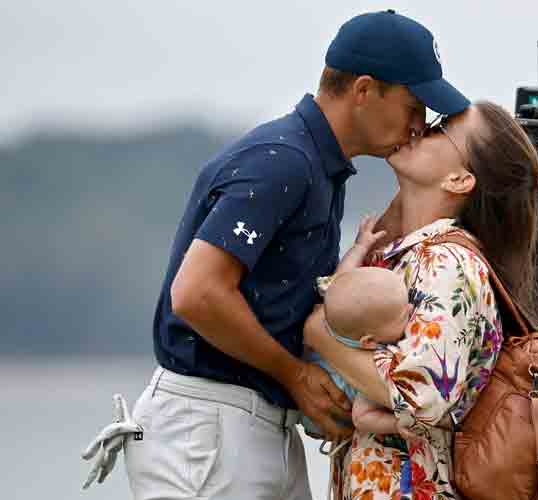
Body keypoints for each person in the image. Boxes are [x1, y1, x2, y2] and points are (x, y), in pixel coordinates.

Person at [82, 9, 471, 500]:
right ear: (365, 90)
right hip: (210, 426)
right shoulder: (285, 161)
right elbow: (196, 294)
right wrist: (296, 374)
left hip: (246, 425)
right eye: (414, 106)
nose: (420, 125)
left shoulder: (312, 164)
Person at [304, 101, 538, 499]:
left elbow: (421, 395)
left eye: (441, 129)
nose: (421, 127)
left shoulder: (448, 263)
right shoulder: (412, 255)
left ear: (460, 180)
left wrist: (320, 331)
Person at [301, 216, 414, 440]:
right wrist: (395, 424)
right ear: (369, 341)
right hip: (323, 414)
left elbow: (339, 280)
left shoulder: (337, 306)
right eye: (403, 315)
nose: (411, 309)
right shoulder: (364, 365)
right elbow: (361, 417)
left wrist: (360, 247)